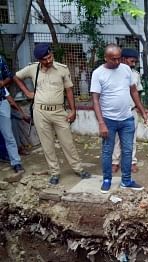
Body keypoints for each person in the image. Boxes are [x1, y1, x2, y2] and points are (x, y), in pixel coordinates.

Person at [14, 43, 91, 184]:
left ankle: (78, 169)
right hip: (40, 112)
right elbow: (16, 77)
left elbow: (69, 90)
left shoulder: (62, 69)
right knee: (47, 144)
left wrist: (73, 110)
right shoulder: (32, 69)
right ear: (39, 59)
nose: (48, 60)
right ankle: (54, 172)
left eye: (50, 57)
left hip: (59, 111)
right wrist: (27, 92)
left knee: (67, 142)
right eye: (45, 59)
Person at [91, 43, 148, 193]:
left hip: (127, 119)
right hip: (108, 120)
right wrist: (101, 123)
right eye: (113, 59)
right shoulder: (98, 74)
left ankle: (126, 180)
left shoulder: (126, 69)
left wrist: (142, 111)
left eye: (118, 58)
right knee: (107, 151)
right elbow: (95, 100)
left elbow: (134, 92)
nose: (116, 62)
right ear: (105, 58)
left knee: (128, 151)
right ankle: (107, 179)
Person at [111, 48, 143, 174]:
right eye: (132, 61)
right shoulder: (112, 73)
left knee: (131, 139)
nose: (133, 64)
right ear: (123, 59)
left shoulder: (135, 74)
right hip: (116, 112)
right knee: (116, 139)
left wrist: (140, 109)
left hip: (131, 111)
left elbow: (137, 93)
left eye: (135, 62)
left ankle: (131, 162)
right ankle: (115, 162)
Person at [0, 55, 25, 174]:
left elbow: (9, 76)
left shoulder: (0, 59)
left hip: (2, 102)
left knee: (8, 135)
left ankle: (16, 163)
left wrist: (2, 83)